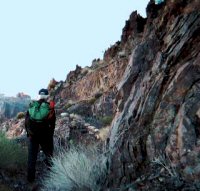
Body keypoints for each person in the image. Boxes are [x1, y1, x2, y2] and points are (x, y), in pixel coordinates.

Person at [25, 88, 56, 183]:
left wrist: (29, 134)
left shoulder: (32, 106)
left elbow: (26, 122)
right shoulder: (49, 108)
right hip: (46, 137)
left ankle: (30, 180)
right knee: (49, 156)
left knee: (32, 158)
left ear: (38, 95)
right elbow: (53, 124)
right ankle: (52, 177)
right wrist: (50, 135)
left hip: (32, 137)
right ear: (47, 96)